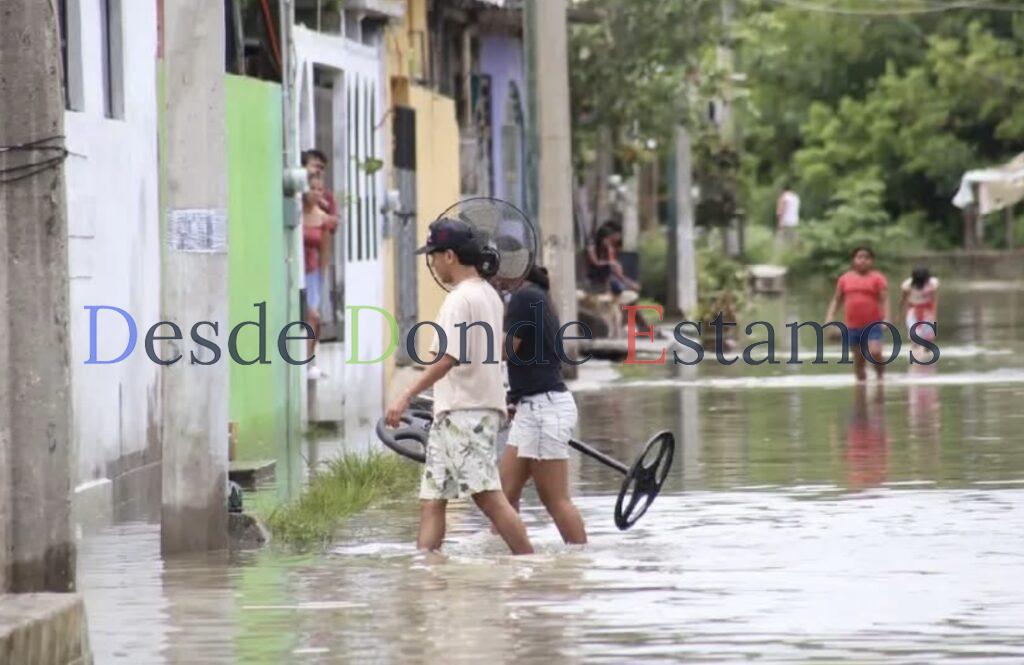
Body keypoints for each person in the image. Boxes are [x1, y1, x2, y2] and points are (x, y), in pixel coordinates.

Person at [385, 218, 534, 555]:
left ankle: (530, 561)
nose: (433, 264)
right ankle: (426, 569)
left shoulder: (459, 299)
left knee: (487, 497)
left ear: (449, 255)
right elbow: (493, 355)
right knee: (433, 498)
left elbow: (448, 358)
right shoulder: (490, 295)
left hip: (465, 413)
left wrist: (405, 395)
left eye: (434, 256)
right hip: (457, 412)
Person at [499, 265, 588, 545]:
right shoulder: (537, 297)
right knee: (503, 495)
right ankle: (509, 560)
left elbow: (505, 350)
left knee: (555, 500)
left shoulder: (523, 299)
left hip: (543, 408)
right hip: (533, 406)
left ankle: (579, 563)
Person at [825, 246, 890, 382]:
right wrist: (830, 316)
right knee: (859, 362)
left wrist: (887, 318)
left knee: (875, 352)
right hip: (853, 326)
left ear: (872, 261)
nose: (863, 261)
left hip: (873, 324)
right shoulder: (845, 279)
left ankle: (880, 378)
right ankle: (861, 392)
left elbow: (884, 299)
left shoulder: (878, 278)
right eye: (859, 257)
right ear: (854, 260)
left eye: (866, 258)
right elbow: (837, 300)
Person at [302, 174, 337, 379]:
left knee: (314, 317)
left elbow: (325, 252)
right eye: (312, 188)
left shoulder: (323, 218)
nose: (316, 193)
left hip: (313, 273)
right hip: (297, 272)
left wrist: (322, 278)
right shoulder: (297, 215)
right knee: (306, 317)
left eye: (319, 189)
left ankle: (308, 360)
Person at [585, 221, 640, 302]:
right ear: (601, 238)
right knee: (610, 270)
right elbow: (595, 263)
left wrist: (630, 282)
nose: (608, 242)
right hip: (595, 276)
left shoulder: (609, 249)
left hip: (610, 278)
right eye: (607, 239)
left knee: (628, 290)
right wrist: (611, 263)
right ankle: (609, 291)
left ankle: (634, 313)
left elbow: (617, 272)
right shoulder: (592, 248)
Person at [899, 267, 939, 350]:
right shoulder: (907, 285)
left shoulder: (932, 284)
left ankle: (928, 354)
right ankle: (915, 354)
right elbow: (903, 300)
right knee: (914, 335)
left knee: (928, 336)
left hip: (927, 311)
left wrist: (934, 314)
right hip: (913, 311)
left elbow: (934, 299)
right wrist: (900, 314)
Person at [301, 149, 339, 217]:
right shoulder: (295, 191)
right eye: (315, 166)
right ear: (303, 167)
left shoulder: (327, 197)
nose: (318, 171)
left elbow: (333, 222)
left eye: (322, 168)